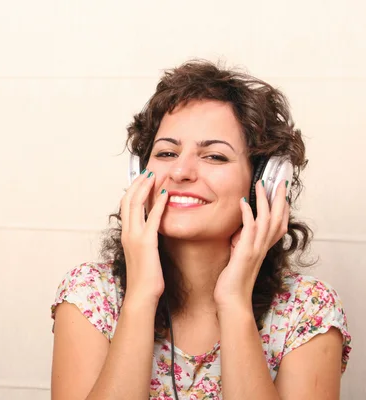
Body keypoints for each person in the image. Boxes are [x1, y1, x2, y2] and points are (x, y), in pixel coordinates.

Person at [50, 60, 352, 400]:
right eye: (166, 152)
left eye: (214, 156)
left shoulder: (307, 309)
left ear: (262, 184)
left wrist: (234, 302)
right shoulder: (90, 295)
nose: (180, 172)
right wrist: (140, 296)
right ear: (138, 176)